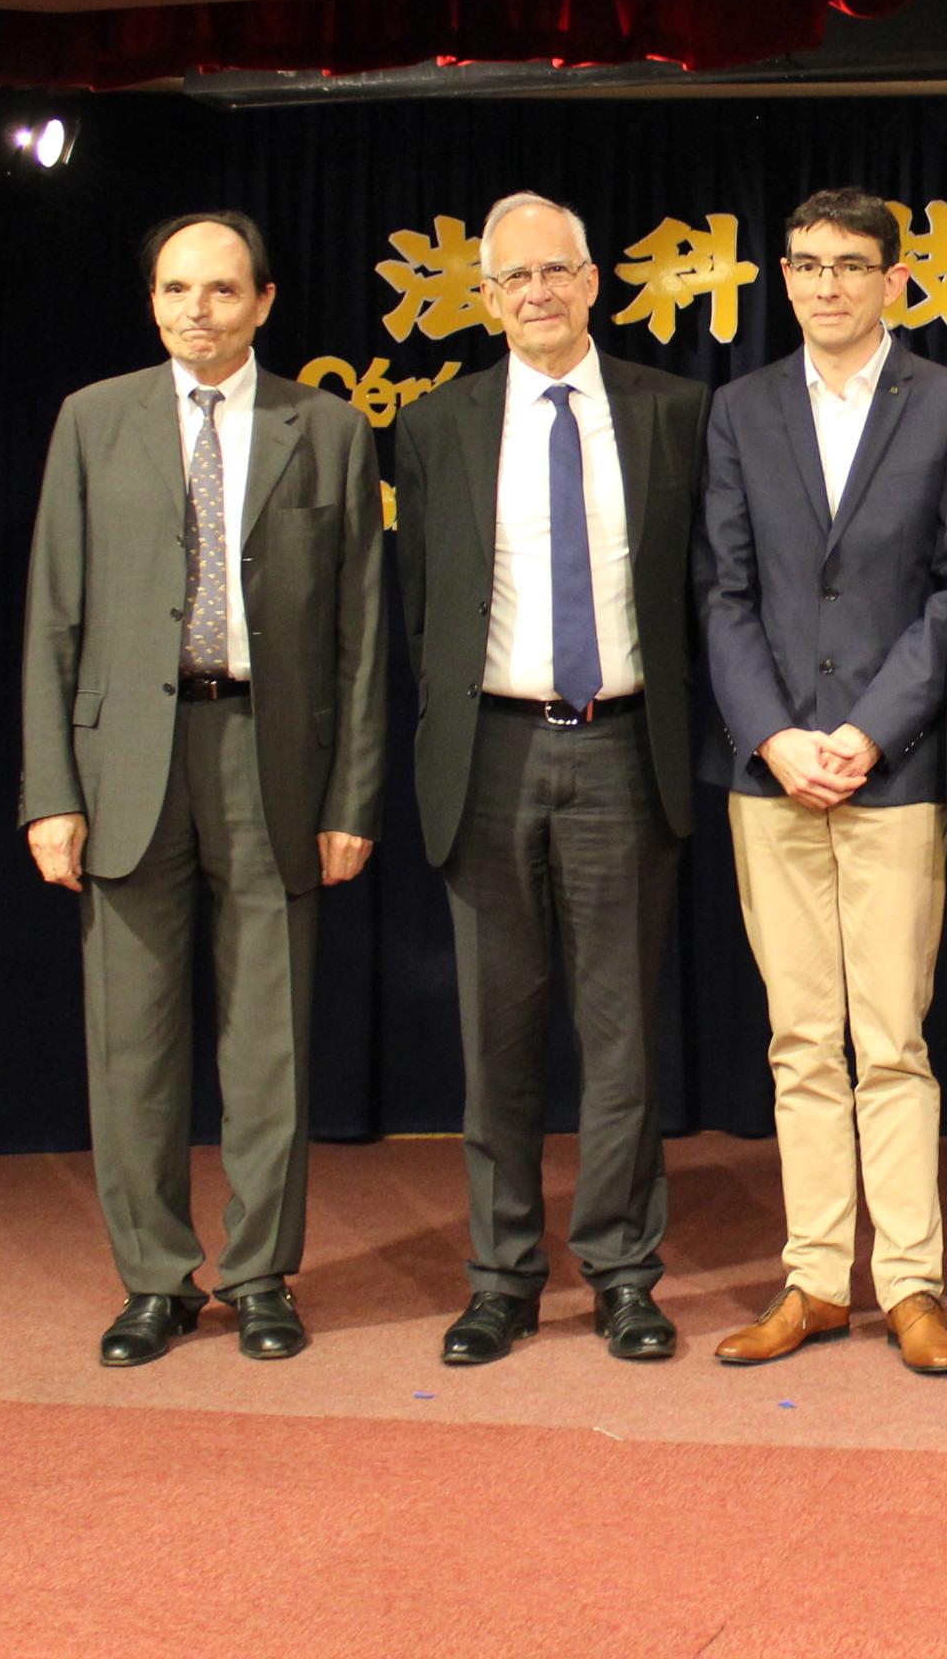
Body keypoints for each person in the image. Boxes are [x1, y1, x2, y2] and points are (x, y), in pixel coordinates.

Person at [21, 212, 390, 1369]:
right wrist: (49, 790)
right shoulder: (93, 420)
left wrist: (353, 797)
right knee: (131, 1044)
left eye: (222, 290)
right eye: (177, 289)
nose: (198, 310)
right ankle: (153, 1282)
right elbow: (53, 615)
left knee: (269, 1042)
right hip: (126, 763)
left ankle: (261, 1275)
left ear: (264, 302)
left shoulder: (327, 429)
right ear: (153, 302)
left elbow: (361, 636)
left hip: (270, 757)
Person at [394, 191, 709, 1368]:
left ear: (592, 282)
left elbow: (703, 590)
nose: (535, 292)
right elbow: (421, 610)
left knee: (622, 1043)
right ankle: (502, 1279)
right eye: (512, 277)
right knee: (498, 1042)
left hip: (625, 748)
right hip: (491, 753)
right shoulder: (437, 426)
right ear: (486, 298)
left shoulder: (675, 412)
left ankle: (624, 1274)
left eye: (555, 271)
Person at [699, 188, 947, 1377]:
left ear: (894, 281)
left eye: (851, 265)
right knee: (800, 1040)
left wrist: (868, 732)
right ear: (783, 277)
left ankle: (911, 1284)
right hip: (770, 776)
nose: (827, 285)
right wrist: (774, 735)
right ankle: (817, 1281)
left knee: (892, 1040)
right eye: (808, 265)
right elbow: (723, 592)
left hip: (895, 771)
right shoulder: (740, 410)